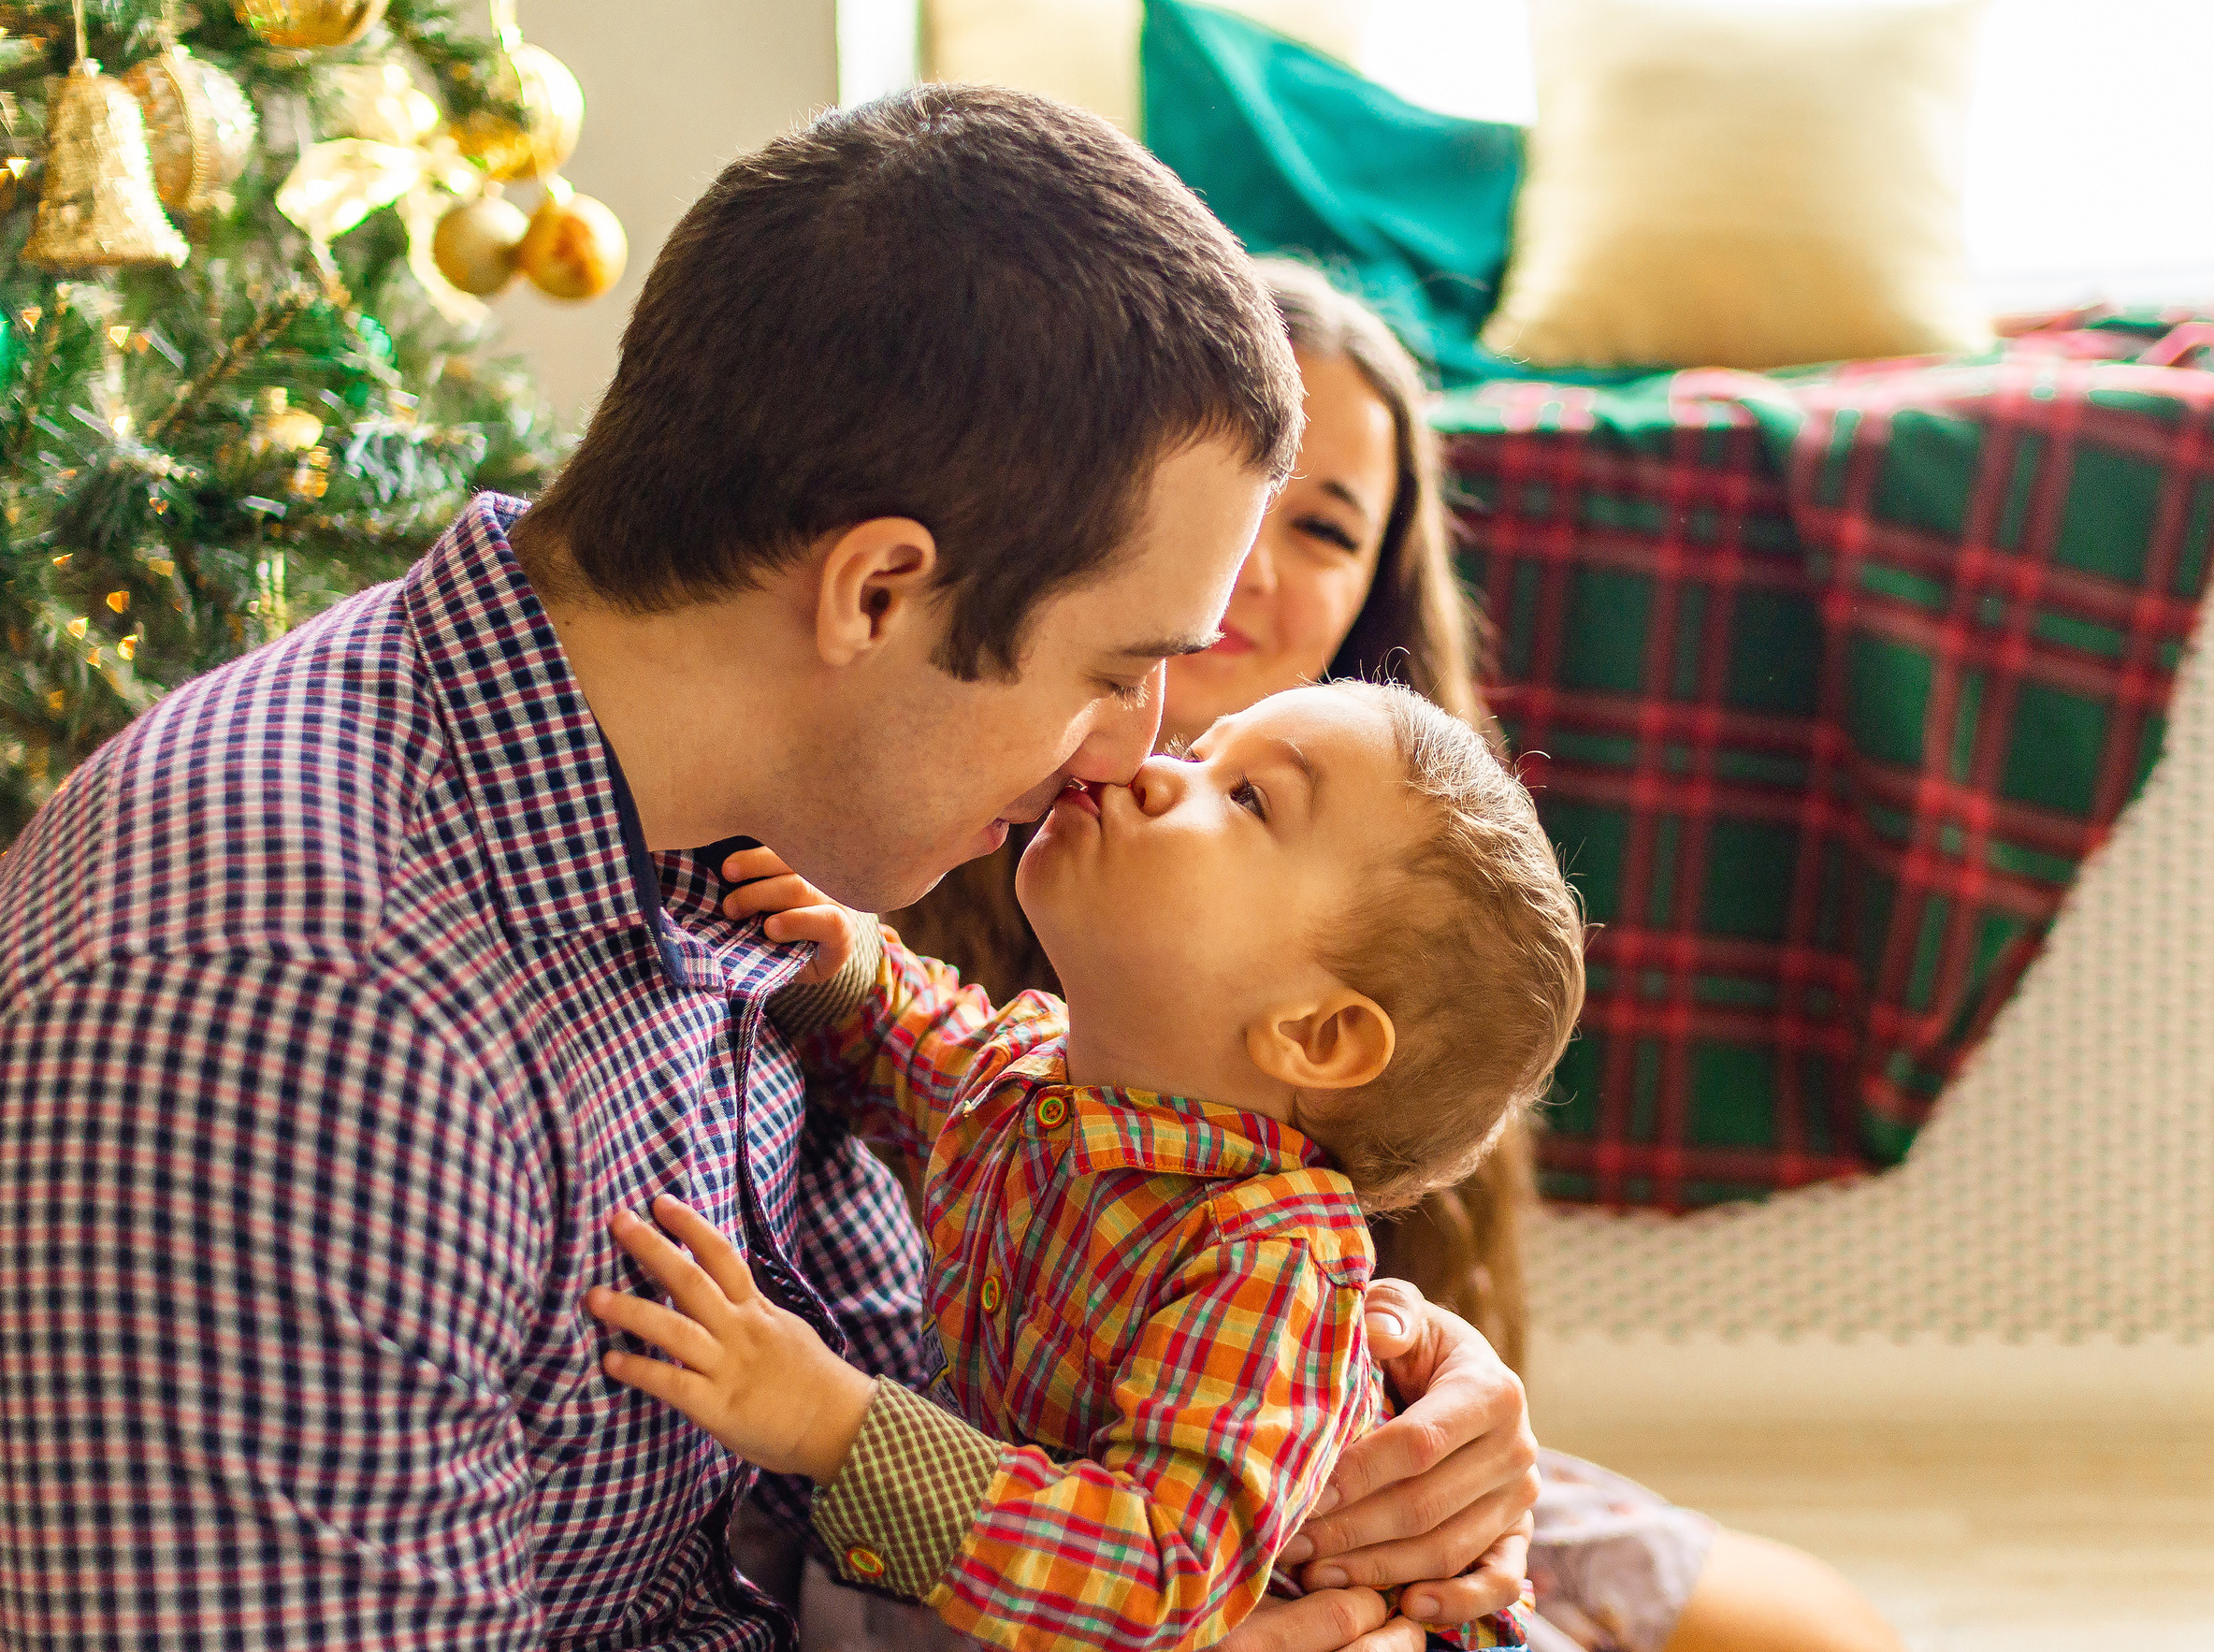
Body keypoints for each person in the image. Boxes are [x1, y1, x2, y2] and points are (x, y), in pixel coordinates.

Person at [0, 93, 1537, 1651]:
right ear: (876, 592)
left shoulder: (702, 823)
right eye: (1114, 670)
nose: (1119, 757)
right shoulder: (293, 1027)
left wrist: (1370, 1393)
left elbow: (970, 1333)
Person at [884, 260, 1903, 1652]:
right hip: (1045, 1493)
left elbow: (1375, 1305)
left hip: (1285, 1469)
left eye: (1322, 524)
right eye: (1220, 499)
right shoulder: (932, 824)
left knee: (1817, 1632)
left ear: (1373, 597)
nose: (1251, 561)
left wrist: (1447, 1410)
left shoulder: (1420, 908)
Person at [590, 681, 1582, 1651]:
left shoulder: (1270, 1265)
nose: (1151, 767)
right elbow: (926, 1047)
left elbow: (1158, 1565)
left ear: (1317, 1035)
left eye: (1246, 796)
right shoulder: (1047, 1077)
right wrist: (842, 963)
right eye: (1199, 751)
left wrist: (835, 1424)